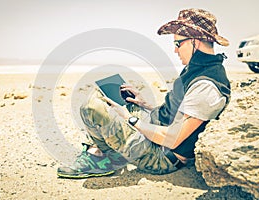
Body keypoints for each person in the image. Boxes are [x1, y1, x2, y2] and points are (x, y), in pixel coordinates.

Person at [57, 8, 231, 178]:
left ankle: (102, 158)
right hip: (155, 135)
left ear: (195, 41)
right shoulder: (196, 70)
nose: (175, 50)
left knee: (92, 107)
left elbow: (173, 138)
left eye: (178, 44)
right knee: (104, 94)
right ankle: (107, 152)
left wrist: (130, 119)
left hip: (161, 156)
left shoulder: (206, 85)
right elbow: (175, 114)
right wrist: (143, 104)